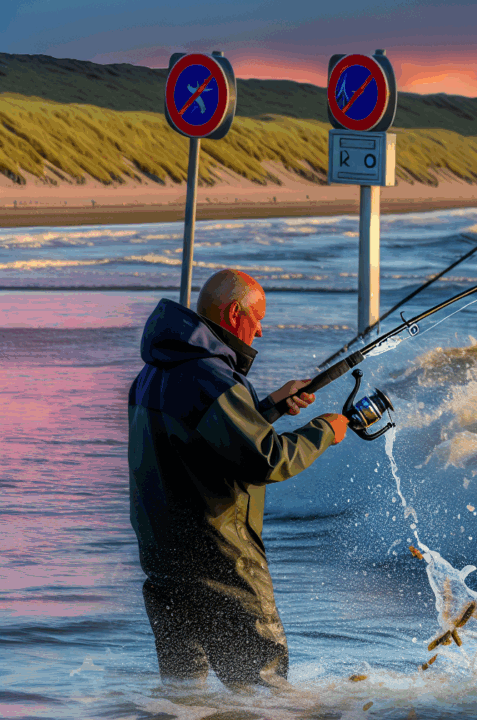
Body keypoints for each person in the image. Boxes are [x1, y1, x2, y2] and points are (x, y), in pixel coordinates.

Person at [128, 269, 349, 687]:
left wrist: (269, 408)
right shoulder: (212, 378)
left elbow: (200, 448)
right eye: (258, 318)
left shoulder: (153, 374)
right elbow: (265, 461)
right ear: (234, 313)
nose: (261, 331)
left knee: (182, 696)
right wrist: (324, 431)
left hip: (164, 564)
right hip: (220, 563)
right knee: (263, 688)